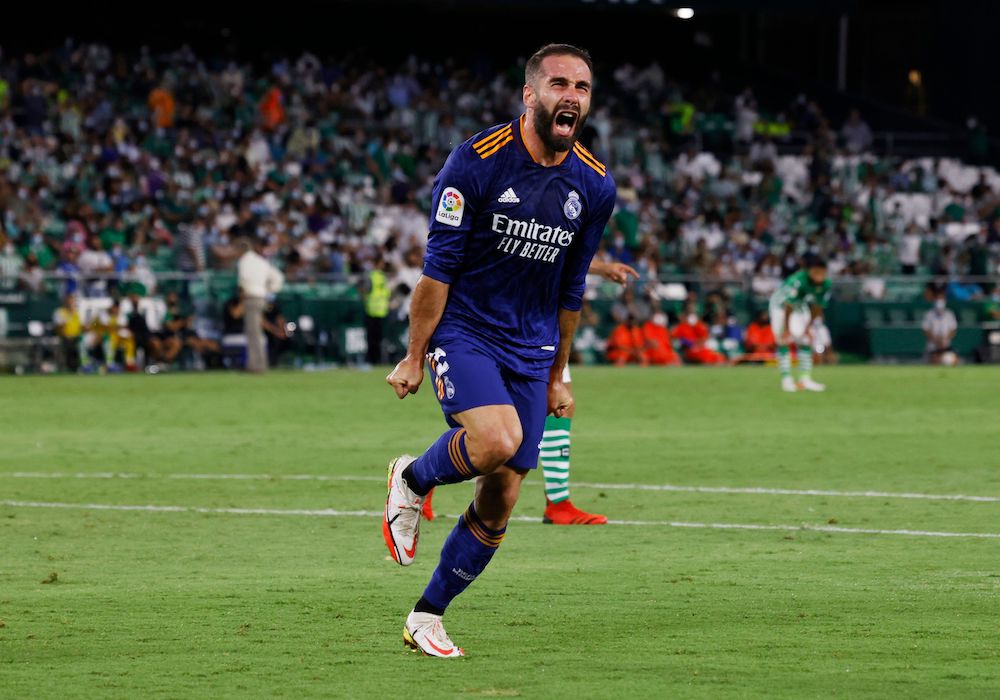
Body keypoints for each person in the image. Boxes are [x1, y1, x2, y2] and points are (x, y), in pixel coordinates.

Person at [382, 44, 614, 657]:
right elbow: (437, 273)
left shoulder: (593, 184)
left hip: (533, 348)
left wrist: (559, 373)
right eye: (559, 83)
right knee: (494, 442)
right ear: (529, 95)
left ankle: (427, 615)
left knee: (503, 493)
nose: (572, 96)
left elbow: (571, 288)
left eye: (583, 87)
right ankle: (411, 478)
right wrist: (414, 354)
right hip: (467, 332)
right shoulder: (476, 162)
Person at [769, 254, 831, 392]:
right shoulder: (797, 280)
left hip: (800, 307)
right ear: (809, 270)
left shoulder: (827, 284)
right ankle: (786, 379)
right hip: (780, 307)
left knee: (805, 340)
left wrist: (808, 327)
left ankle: (805, 379)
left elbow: (817, 307)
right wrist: (786, 328)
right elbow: (788, 306)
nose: (819, 275)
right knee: (783, 340)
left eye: (822, 271)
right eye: (816, 271)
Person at [238, 236, 284, 373]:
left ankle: (256, 366)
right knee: (256, 332)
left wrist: (243, 294)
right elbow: (278, 278)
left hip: (251, 297)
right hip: (261, 298)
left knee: (253, 332)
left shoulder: (245, 260)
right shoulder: (262, 261)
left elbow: (243, 280)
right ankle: (259, 364)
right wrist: (268, 290)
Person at [362, 259, 391, 365]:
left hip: (372, 310)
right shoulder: (384, 277)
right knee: (379, 338)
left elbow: (365, 290)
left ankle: (372, 359)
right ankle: (379, 359)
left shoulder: (371, 276)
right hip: (382, 311)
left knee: (371, 338)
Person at [922, 286, 958, 365]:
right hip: (933, 345)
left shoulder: (949, 314)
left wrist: (945, 339)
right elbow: (926, 330)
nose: (940, 301)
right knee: (934, 360)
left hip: (946, 344)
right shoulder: (929, 314)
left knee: (954, 360)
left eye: (942, 298)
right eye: (938, 298)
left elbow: (953, 329)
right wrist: (936, 340)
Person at [53, 293, 85, 372]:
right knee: (69, 344)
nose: (71, 303)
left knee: (82, 343)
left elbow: (83, 327)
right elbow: (58, 329)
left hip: (78, 338)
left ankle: (83, 366)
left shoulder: (78, 313)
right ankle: (68, 367)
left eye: (72, 301)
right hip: (65, 338)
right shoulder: (60, 312)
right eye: (69, 301)